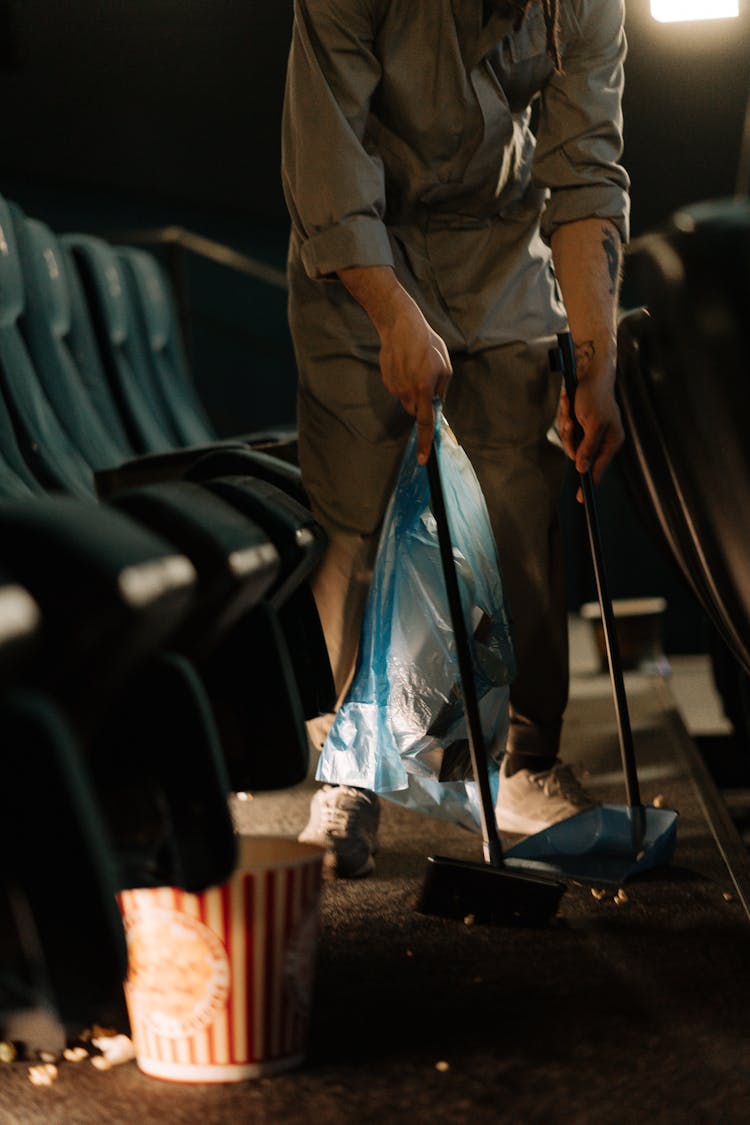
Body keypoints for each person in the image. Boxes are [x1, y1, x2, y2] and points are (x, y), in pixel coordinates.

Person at [282, 0, 630, 876]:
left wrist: (596, 360)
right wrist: (395, 315)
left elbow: (585, 166)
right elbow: (329, 162)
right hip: (366, 244)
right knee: (357, 513)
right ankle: (351, 769)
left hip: (498, 243)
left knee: (526, 480)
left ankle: (526, 758)